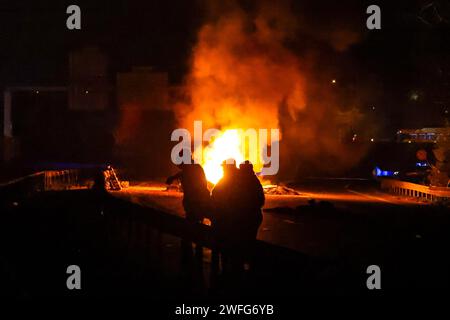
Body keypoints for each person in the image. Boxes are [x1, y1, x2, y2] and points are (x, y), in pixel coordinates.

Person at [166, 159, 211, 261]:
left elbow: (185, 174)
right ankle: (193, 249)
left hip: (196, 203)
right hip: (196, 202)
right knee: (195, 224)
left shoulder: (192, 169)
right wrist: (173, 177)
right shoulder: (193, 168)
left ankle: (191, 253)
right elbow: (183, 172)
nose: (179, 166)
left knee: (193, 226)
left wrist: (173, 177)